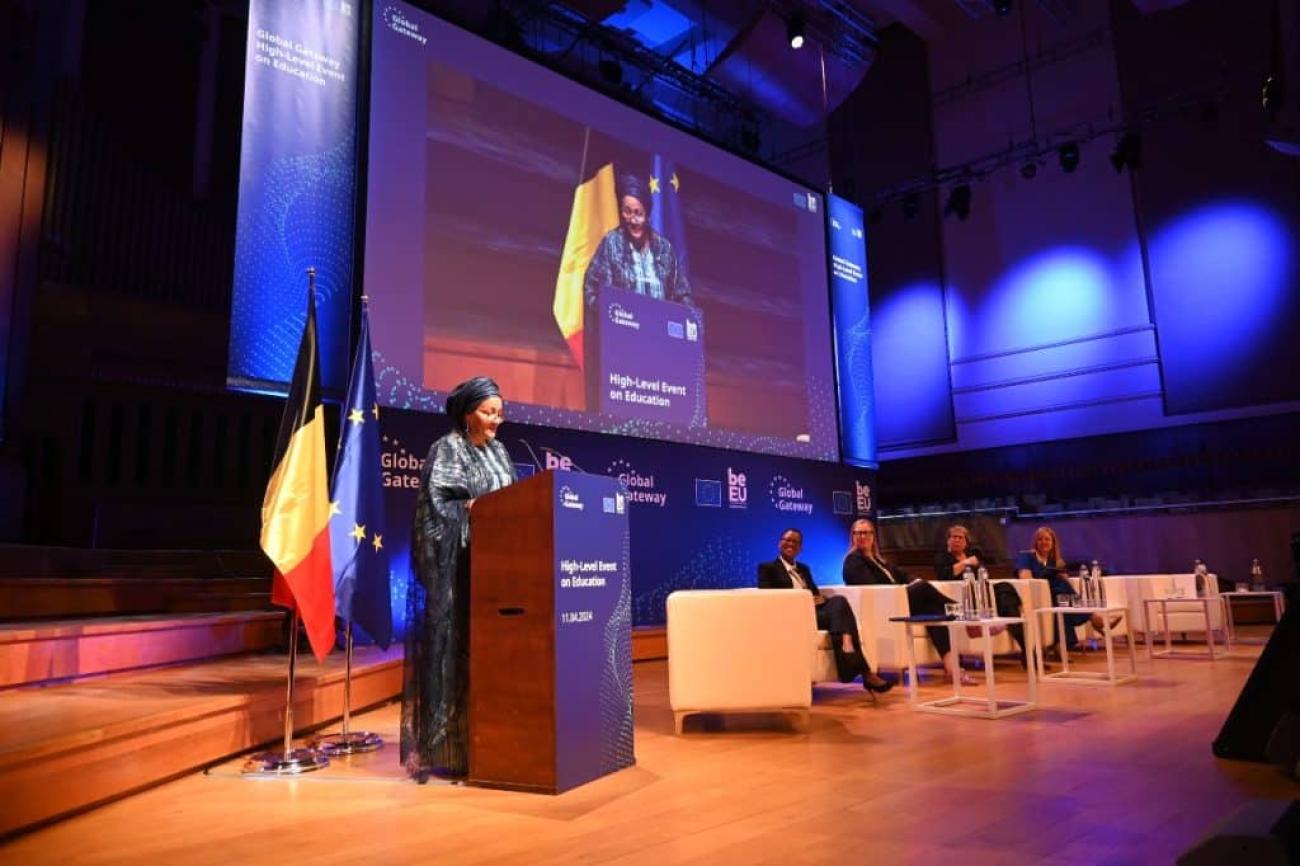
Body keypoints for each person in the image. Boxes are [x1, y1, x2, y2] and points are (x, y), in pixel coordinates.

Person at [401, 376, 517, 782]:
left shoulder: (500, 452)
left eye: (500, 413)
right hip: (458, 576)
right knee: (455, 656)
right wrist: (471, 509)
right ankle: (451, 748)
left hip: (495, 573)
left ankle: (493, 739)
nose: (496, 420)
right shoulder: (447, 448)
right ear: (468, 414)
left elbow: (516, 502)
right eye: (488, 412)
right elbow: (434, 514)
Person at [757, 528, 893, 693]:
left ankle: (847, 640)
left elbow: (816, 594)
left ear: (800, 548)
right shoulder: (767, 568)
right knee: (842, 617)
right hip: (792, 616)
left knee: (839, 601)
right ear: (780, 543)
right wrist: (803, 600)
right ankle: (865, 672)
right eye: (787, 540)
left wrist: (817, 599)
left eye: (795, 542)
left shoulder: (803, 569)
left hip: (814, 614)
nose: (790, 544)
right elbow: (768, 597)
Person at [842, 518, 975, 683]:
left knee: (932, 610)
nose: (862, 536)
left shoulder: (879, 559)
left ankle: (951, 668)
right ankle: (964, 613)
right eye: (858, 533)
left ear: (873, 536)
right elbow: (871, 587)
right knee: (923, 588)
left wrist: (913, 581)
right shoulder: (853, 560)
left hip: (898, 601)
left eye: (865, 533)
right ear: (853, 536)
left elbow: (903, 575)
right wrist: (907, 588)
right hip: (884, 607)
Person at [582, 173, 694, 309]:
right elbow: (591, 289)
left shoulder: (664, 249)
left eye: (638, 213)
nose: (633, 220)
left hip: (657, 322)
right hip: (621, 321)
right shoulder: (611, 243)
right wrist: (607, 310)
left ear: (647, 215)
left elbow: (684, 297)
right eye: (627, 212)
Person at [933, 524, 1030, 667]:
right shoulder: (942, 557)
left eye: (960, 538)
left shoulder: (973, 556)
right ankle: (1024, 646)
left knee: (1005, 589)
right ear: (948, 540)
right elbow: (944, 575)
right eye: (954, 537)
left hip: (982, 592)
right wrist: (966, 562)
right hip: (965, 596)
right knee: (1004, 599)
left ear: (966, 542)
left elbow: (984, 574)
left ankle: (1023, 644)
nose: (957, 540)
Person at [1015, 526, 1113, 654]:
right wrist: (1048, 577)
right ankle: (1093, 617)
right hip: (1036, 595)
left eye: (1047, 539)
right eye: (1040, 539)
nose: (1044, 542)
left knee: (1061, 599)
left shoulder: (1055, 561)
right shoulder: (1027, 556)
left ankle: (1060, 645)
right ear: (1035, 542)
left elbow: (1062, 578)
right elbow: (1025, 578)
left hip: (1054, 597)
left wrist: (1059, 575)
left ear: (1053, 543)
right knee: (1060, 588)